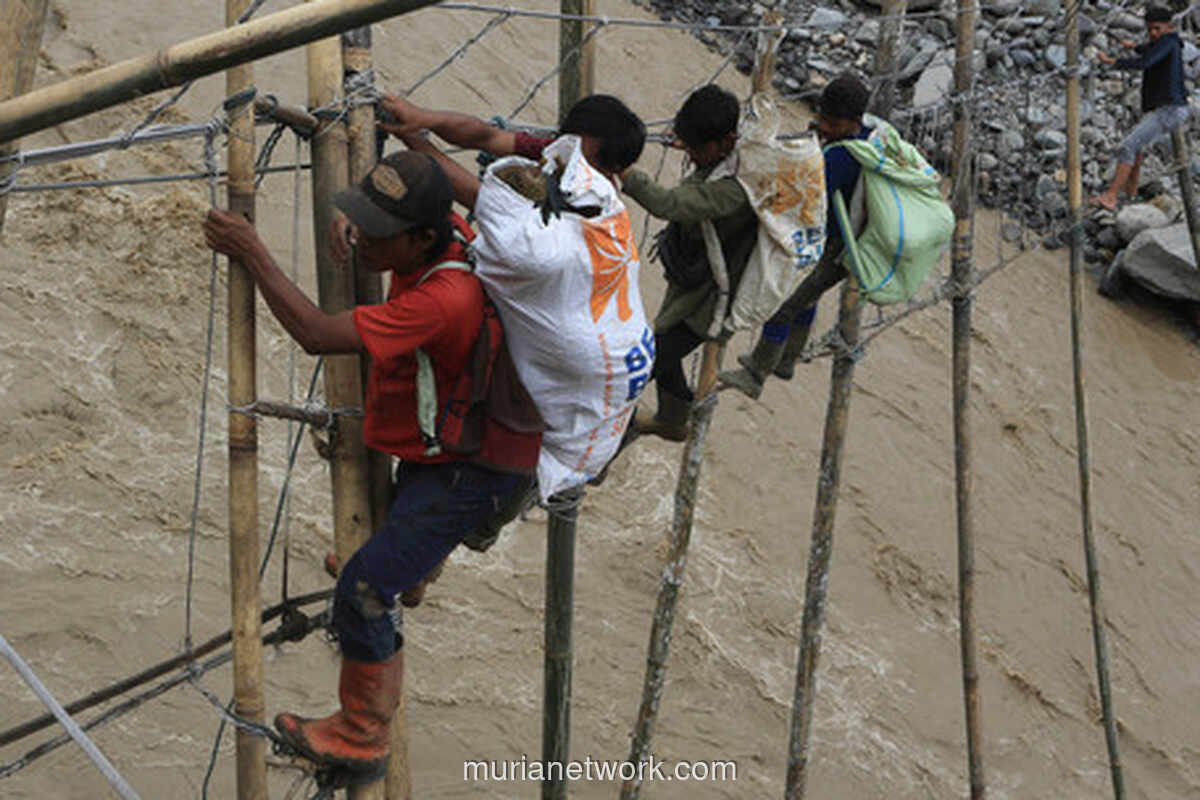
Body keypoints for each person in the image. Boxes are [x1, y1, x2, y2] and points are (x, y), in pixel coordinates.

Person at [203, 151, 541, 777]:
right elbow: (387, 242)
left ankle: (362, 735)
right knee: (393, 571)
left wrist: (251, 252)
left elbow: (315, 333)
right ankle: (408, 570)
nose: (365, 239)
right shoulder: (450, 238)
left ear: (420, 238)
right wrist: (359, 231)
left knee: (362, 588)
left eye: (378, 232)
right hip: (446, 444)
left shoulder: (444, 297)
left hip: (472, 469)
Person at [718, 73, 873, 398]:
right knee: (809, 296)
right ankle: (787, 359)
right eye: (821, 117)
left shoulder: (840, 158)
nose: (822, 126)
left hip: (834, 248)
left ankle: (756, 374)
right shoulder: (871, 137)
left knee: (784, 304)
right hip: (851, 243)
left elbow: (806, 195)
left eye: (830, 122)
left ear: (851, 122)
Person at [618, 83, 757, 440]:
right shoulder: (732, 153)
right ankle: (673, 420)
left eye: (695, 148)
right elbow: (700, 164)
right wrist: (688, 140)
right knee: (661, 344)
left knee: (639, 368)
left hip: (709, 304)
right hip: (694, 281)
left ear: (726, 142)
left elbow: (671, 204)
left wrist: (624, 172)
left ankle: (603, 450)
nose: (690, 154)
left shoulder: (734, 190)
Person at [1090, 6, 1189, 212]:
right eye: (1149, 29)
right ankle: (1131, 193)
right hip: (1168, 108)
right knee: (1137, 149)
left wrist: (1113, 61)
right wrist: (1134, 46)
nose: (1152, 33)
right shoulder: (1168, 42)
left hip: (1168, 109)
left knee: (1129, 146)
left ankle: (1111, 197)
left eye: (1157, 29)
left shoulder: (1168, 42)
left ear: (1169, 27)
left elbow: (1147, 61)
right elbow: (1151, 50)